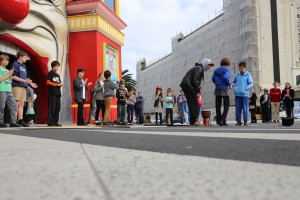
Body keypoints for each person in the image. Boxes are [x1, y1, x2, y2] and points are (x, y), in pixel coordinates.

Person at [180, 58, 214, 126]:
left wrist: (197, 90)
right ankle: (195, 120)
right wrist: (197, 91)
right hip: (188, 85)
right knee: (195, 103)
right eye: (208, 65)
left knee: (192, 103)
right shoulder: (199, 69)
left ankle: (193, 121)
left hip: (187, 85)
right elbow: (195, 81)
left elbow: (195, 81)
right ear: (205, 64)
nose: (209, 67)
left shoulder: (199, 68)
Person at [11, 51, 37, 127]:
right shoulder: (15, 64)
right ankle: (13, 120)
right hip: (17, 86)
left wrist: (29, 83)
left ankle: (20, 120)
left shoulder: (23, 66)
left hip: (23, 87)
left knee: (22, 103)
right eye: (25, 57)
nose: (26, 59)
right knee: (16, 103)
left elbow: (24, 78)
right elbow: (13, 76)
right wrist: (25, 81)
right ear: (20, 57)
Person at [0, 54, 22, 128]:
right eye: (4, 60)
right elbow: (0, 79)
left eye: (7, 60)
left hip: (9, 90)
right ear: (1, 61)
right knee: (1, 106)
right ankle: (0, 122)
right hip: (1, 89)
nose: (6, 62)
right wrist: (9, 74)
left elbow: (10, 82)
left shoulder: (7, 70)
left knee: (14, 106)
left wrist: (10, 75)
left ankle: (13, 122)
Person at [211, 57, 232, 126]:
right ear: (227, 64)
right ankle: (223, 119)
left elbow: (213, 78)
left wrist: (217, 83)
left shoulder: (216, 70)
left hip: (217, 88)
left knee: (218, 105)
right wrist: (229, 84)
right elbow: (225, 77)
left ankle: (219, 120)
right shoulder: (227, 70)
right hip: (224, 88)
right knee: (226, 105)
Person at [232, 62, 253, 126]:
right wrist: (233, 86)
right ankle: (238, 121)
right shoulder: (237, 75)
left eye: (242, 68)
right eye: (239, 68)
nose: (240, 69)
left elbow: (251, 83)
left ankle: (245, 121)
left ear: (245, 68)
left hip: (245, 95)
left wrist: (247, 88)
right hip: (237, 94)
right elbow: (233, 82)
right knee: (238, 109)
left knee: (245, 108)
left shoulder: (248, 75)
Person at [46, 61, 63, 126]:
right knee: (52, 108)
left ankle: (56, 122)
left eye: (58, 66)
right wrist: (55, 84)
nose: (57, 68)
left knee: (57, 108)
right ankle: (50, 122)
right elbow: (47, 82)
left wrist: (60, 84)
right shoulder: (50, 74)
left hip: (58, 93)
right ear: (53, 66)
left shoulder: (57, 75)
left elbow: (59, 83)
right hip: (52, 93)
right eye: (56, 66)